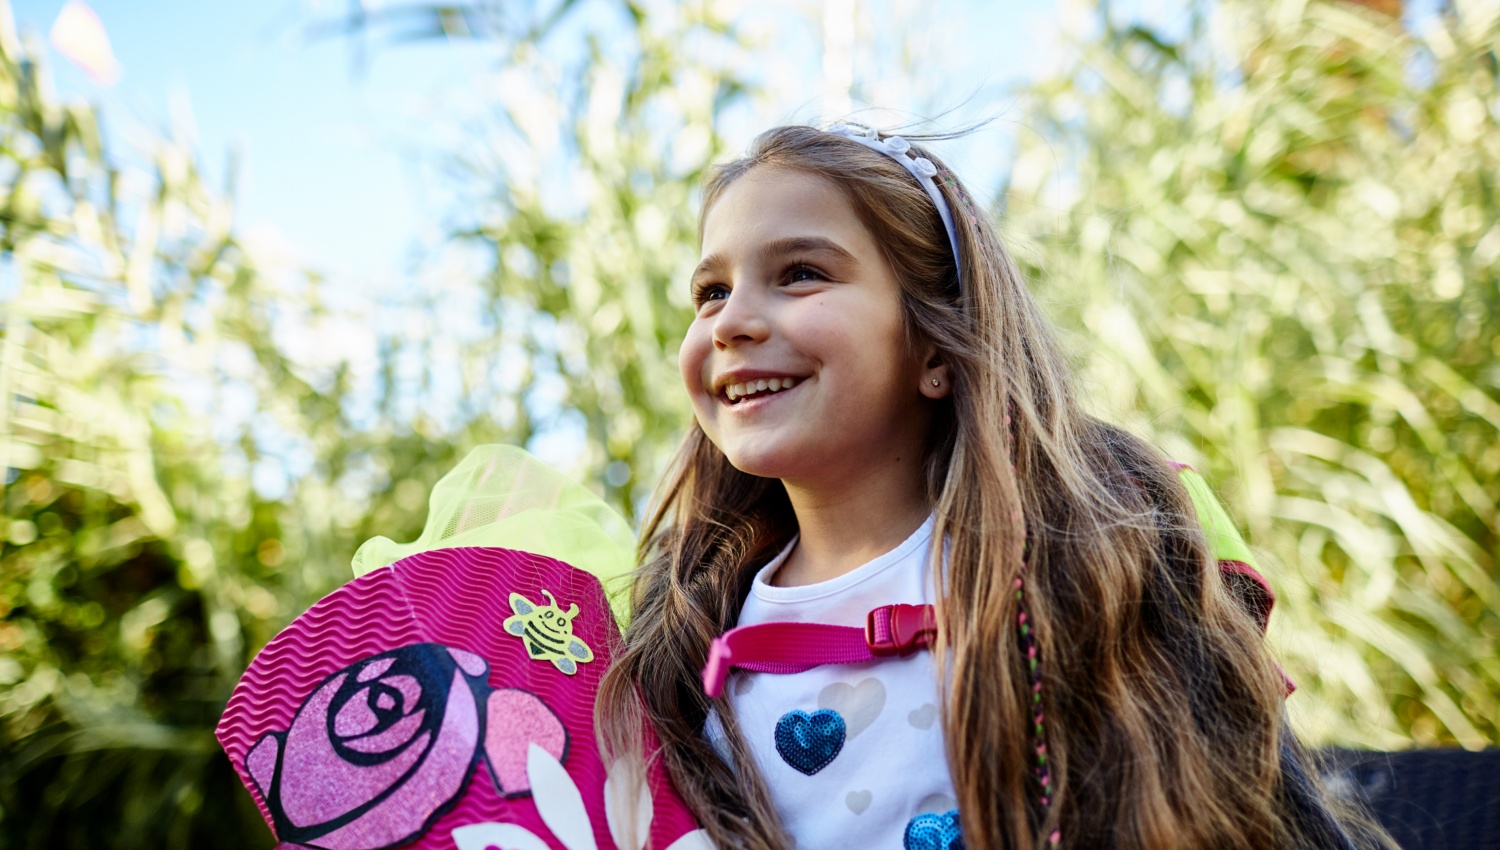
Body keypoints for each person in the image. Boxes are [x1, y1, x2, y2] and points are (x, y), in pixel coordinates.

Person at [596, 124, 1381, 850]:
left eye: (800, 274)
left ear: (935, 347)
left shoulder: (1076, 568)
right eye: (711, 292)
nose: (732, 321)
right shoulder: (679, 636)